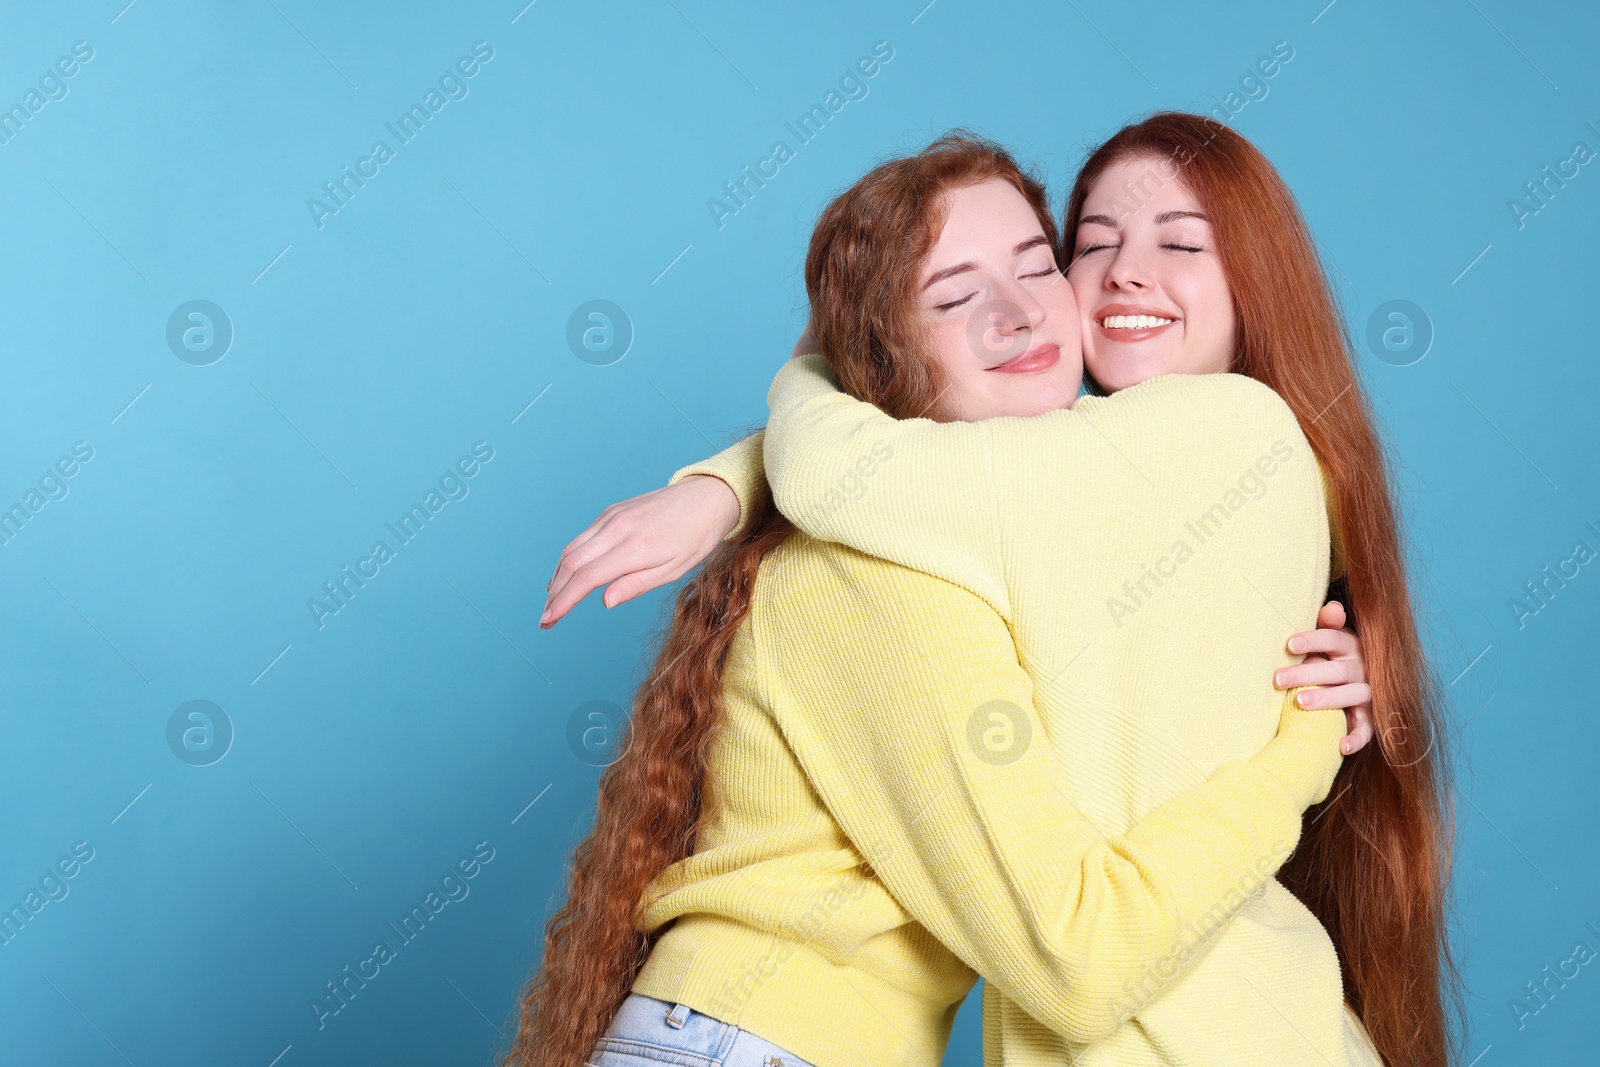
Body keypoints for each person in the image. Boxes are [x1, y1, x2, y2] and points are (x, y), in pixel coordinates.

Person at [540, 115, 1461, 1067]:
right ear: (888, 357)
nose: (1025, 311)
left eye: (1035, 267)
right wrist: (1306, 743)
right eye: (1089, 247)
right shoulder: (901, 569)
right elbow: (1078, 955)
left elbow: (853, 462)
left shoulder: (1195, 448)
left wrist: (739, 463)